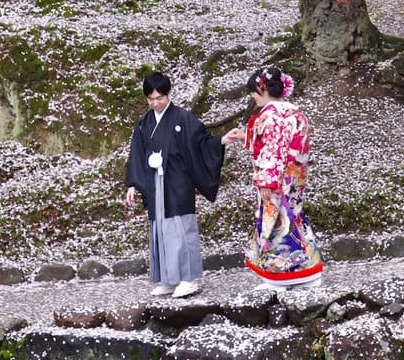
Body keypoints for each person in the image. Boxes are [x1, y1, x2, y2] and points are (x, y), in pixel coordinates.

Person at [124, 71, 225, 299]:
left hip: (178, 179)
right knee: (160, 228)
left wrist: (221, 141)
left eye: (159, 98)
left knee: (181, 226)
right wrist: (132, 184)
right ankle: (168, 279)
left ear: (169, 94)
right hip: (154, 180)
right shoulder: (144, 123)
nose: (155, 103)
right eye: (150, 99)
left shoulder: (182, 118)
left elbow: (202, 141)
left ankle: (189, 278)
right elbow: (137, 154)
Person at [221, 65, 324, 288]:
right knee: (293, 217)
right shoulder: (294, 112)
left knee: (275, 223)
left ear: (262, 89)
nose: (252, 97)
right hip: (294, 178)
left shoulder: (272, 115)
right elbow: (284, 143)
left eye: (253, 92)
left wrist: (267, 180)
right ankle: (309, 269)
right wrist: (245, 136)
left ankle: (282, 274)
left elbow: (274, 148)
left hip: (276, 180)